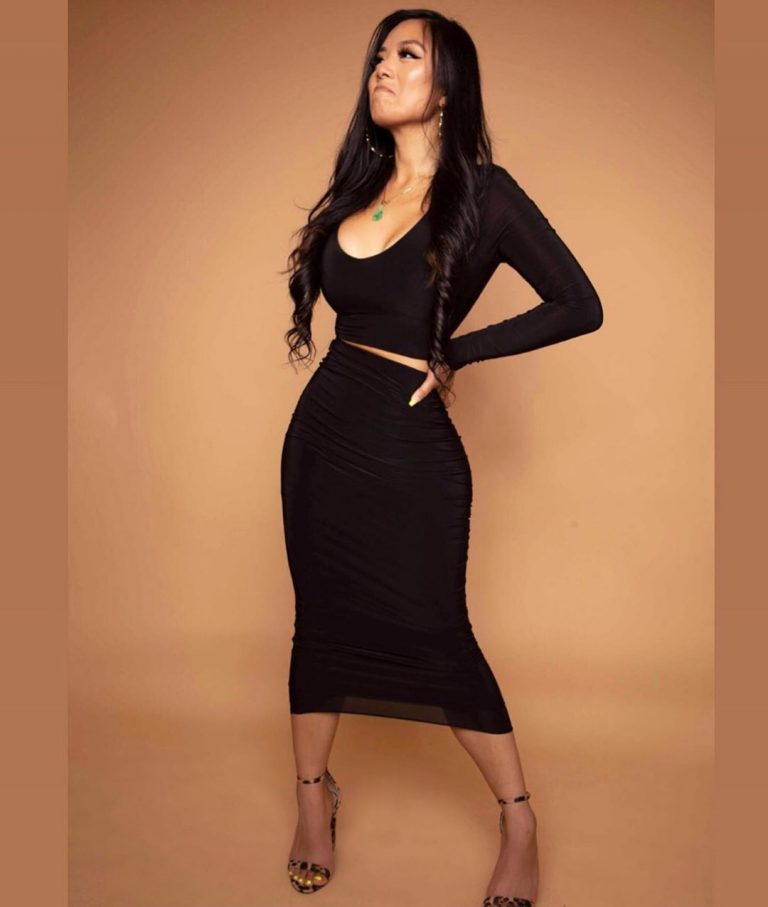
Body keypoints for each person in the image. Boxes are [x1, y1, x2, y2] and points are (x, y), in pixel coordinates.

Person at [280, 10, 603, 906]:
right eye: (378, 56)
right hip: (322, 438)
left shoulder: (484, 195)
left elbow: (579, 303)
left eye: (407, 55)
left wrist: (458, 352)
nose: (382, 69)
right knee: (319, 619)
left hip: (411, 446)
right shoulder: (357, 188)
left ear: (448, 86)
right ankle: (312, 798)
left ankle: (519, 819)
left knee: (438, 631)